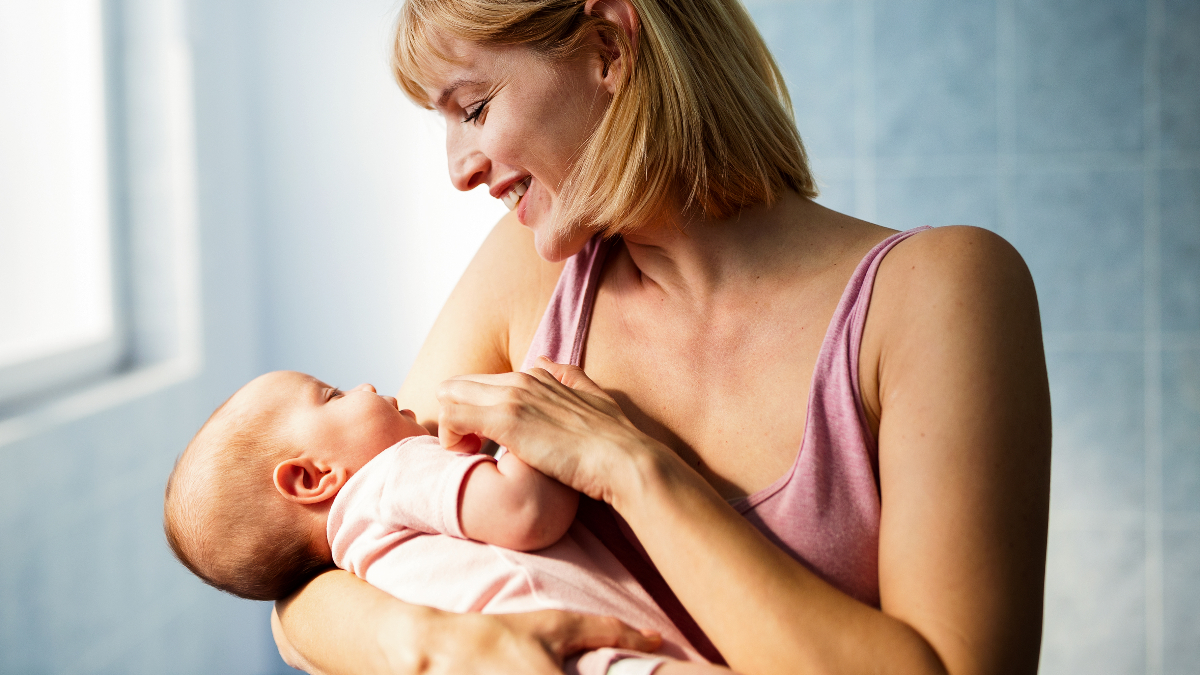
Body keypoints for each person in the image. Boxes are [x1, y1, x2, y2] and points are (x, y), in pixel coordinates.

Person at [273, 0, 1053, 673]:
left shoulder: (941, 292)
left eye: (473, 109)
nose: (459, 170)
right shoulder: (533, 270)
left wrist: (633, 470)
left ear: (608, 49)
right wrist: (438, 645)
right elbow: (318, 565)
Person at [164, 370, 729, 675]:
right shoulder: (388, 476)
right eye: (332, 395)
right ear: (313, 478)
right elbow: (526, 511)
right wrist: (536, 418)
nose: (365, 386)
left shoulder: (360, 561)